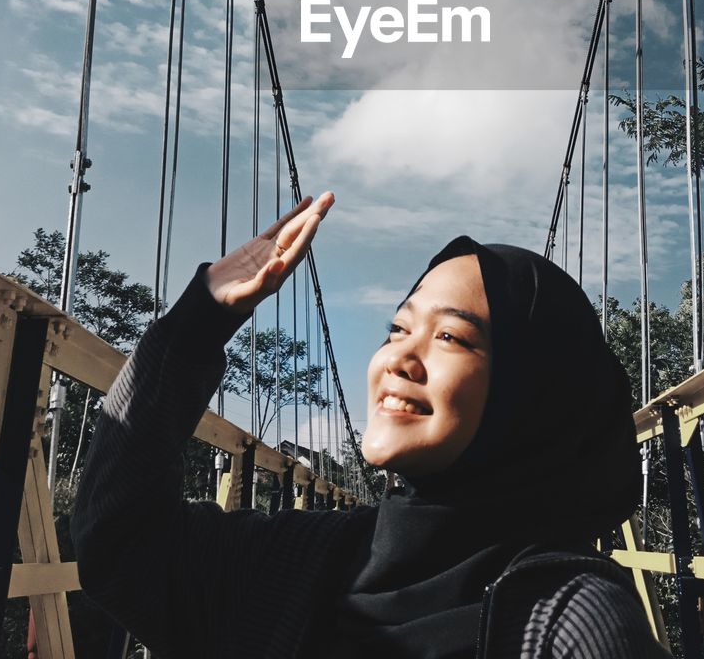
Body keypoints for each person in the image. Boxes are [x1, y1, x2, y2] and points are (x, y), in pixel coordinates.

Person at [73, 193, 667, 657]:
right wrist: (200, 319)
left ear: (531, 393)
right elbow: (121, 545)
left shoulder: (568, 621)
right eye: (398, 330)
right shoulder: (307, 556)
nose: (399, 360)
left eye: (450, 337)